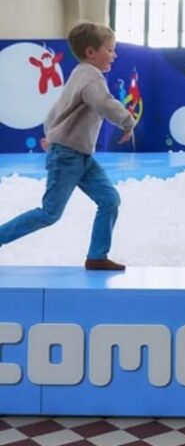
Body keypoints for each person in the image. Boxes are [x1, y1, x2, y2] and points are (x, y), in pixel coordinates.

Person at [0, 21, 135, 270]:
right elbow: (105, 103)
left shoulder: (79, 74)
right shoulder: (91, 76)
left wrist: (50, 134)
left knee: (109, 199)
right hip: (68, 156)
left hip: (80, 156)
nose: (114, 55)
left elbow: (55, 111)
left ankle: (97, 256)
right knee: (49, 213)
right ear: (90, 52)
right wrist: (127, 121)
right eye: (109, 49)